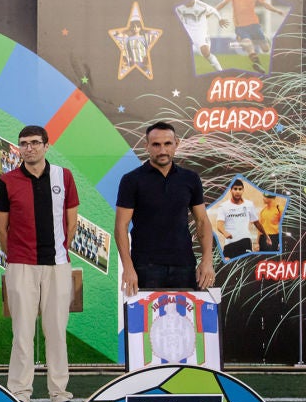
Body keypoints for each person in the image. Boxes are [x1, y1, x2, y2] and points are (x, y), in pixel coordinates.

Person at [0, 126, 78, 402]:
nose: (29, 148)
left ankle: (60, 395)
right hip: (21, 266)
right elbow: (1, 228)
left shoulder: (63, 177)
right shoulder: (7, 181)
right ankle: (19, 393)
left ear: (46, 145)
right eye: (23, 144)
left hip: (57, 263)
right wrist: (17, 256)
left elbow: (72, 223)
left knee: (56, 331)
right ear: (19, 149)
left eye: (34, 143)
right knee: (23, 333)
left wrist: (58, 251)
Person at [115, 122, 215, 296]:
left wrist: (207, 260)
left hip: (184, 265)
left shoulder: (190, 179)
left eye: (167, 144)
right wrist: (128, 267)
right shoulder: (131, 180)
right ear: (147, 146)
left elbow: (202, 221)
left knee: (185, 323)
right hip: (145, 267)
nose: (162, 150)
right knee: (147, 323)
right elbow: (120, 227)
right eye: (156, 144)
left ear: (176, 143)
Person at [216, 0, 286, 73]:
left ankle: (248, 42)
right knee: (248, 44)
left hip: (254, 25)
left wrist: (277, 10)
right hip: (240, 27)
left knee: (265, 49)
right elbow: (224, 3)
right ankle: (257, 64)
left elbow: (265, 4)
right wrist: (211, 11)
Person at [215, 179, 270, 260]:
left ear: (243, 190)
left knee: (245, 262)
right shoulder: (224, 206)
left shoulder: (249, 204)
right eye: (235, 189)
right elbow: (219, 225)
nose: (238, 191)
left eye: (240, 189)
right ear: (231, 190)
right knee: (226, 265)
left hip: (245, 240)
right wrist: (224, 232)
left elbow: (257, 223)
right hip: (230, 243)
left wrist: (266, 236)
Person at [176, 0, 229, 72]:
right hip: (187, 31)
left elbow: (213, 10)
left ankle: (220, 72)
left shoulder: (201, 5)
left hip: (200, 31)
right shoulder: (179, 7)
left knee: (205, 52)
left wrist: (220, 19)